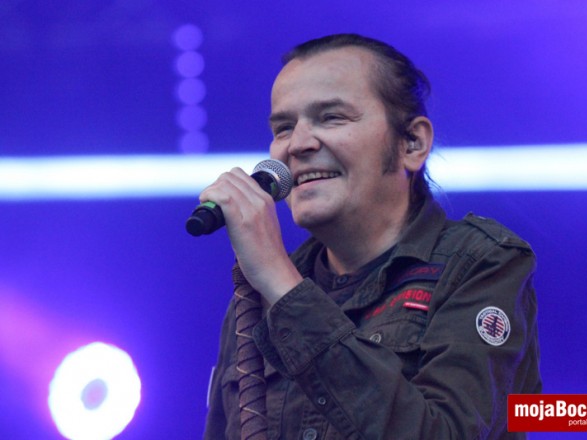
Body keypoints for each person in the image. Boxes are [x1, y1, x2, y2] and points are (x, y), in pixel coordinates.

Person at [202, 33, 541, 439]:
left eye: (332, 117)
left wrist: (281, 283)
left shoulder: (483, 263)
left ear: (412, 143)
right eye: (284, 127)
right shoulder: (259, 296)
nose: (298, 144)